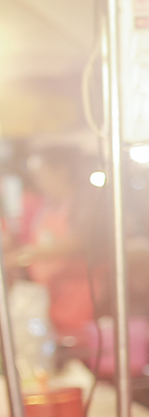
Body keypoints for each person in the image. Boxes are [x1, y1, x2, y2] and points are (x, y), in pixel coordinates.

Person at [8, 144, 98, 339]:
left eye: (40, 174)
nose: (37, 182)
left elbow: (79, 242)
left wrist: (27, 255)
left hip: (81, 301)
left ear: (61, 171)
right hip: (51, 300)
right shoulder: (46, 205)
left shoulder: (85, 201)